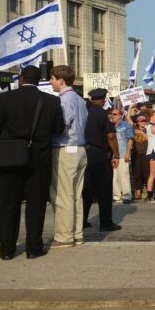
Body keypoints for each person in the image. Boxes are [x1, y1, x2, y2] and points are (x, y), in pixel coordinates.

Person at [0, 66, 65, 260]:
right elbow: (58, 129)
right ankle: (33, 248)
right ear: (40, 80)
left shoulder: (5, 99)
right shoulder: (51, 101)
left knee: (8, 204)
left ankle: (6, 249)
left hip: (11, 156)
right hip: (39, 158)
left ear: (21, 79)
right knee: (36, 204)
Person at [49, 65, 88, 249]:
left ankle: (64, 236)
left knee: (63, 195)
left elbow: (62, 125)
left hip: (66, 148)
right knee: (75, 196)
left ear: (60, 80)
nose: (51, 82)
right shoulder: (80, 100)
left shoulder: (64, 101)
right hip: (80, 148)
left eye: (52, 79)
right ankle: (77, 233)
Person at [83, 88, 122, 232]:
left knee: (85, 190)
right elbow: (111, 136)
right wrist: (116, 155)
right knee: (104, 190)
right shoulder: (103, 114)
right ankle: (105, 223)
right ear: (104, 99)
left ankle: (82, 220)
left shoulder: (83, 112)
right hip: (100, 155)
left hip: (83, 153)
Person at [110, 107, 134, 204]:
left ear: (120, 115)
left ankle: (127, 195)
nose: (112, 115)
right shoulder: (110, 125)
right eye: (112, 113)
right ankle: (116, 196)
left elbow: (130, 139)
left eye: (115, 114)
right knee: (115, 177)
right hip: (112, 155)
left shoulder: (125, 126)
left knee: (124, 175)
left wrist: (128, 152)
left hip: (123, 153)